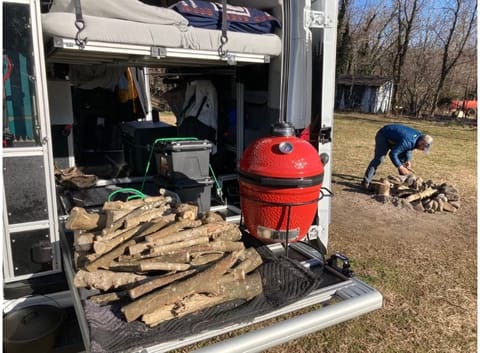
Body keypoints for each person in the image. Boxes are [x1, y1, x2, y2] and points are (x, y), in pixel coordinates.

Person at [362, 124, 433, 188]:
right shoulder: (408, 141)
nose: (423, 150)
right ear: (421, 142)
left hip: (396, 139)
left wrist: (408, 160)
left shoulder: (419, 138)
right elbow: (393, 154)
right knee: (379, 159)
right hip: (384, 135)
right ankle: (366, 182)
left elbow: (409, 148)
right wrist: (401, 167)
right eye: (423, 148)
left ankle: (404, 183)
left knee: (403, 160)